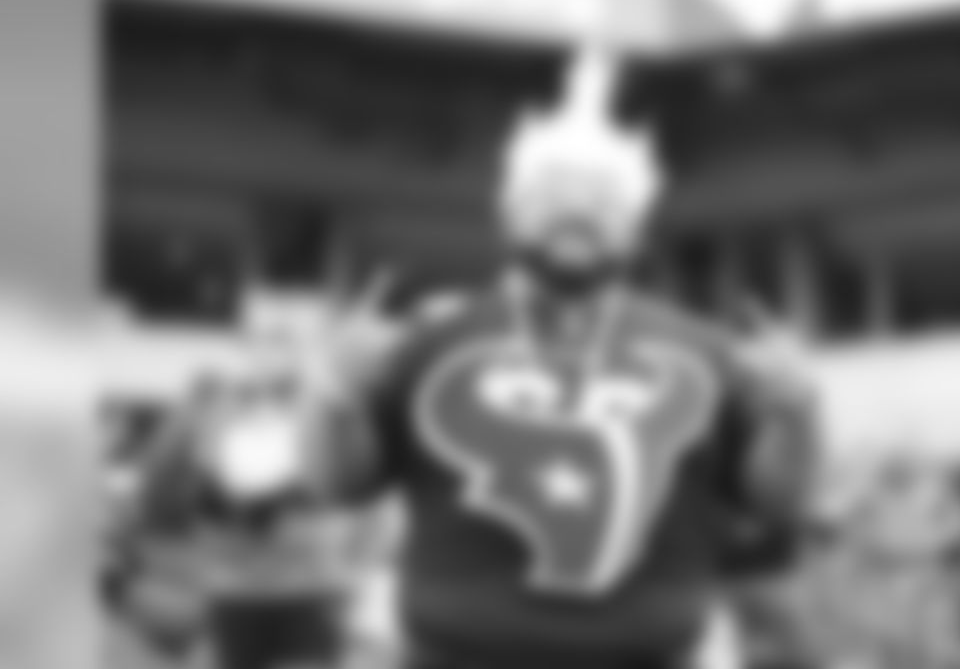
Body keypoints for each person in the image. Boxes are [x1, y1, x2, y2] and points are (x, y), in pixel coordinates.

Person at [145, 47, 820, 669]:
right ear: (510, 213)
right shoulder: (431, 338)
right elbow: (336, 485)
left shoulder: (705, 350)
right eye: (553, 193)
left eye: (601, 199)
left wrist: (798, 414)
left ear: (635, 226)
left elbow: (782, 501)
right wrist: (334, 396)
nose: (576, 209)